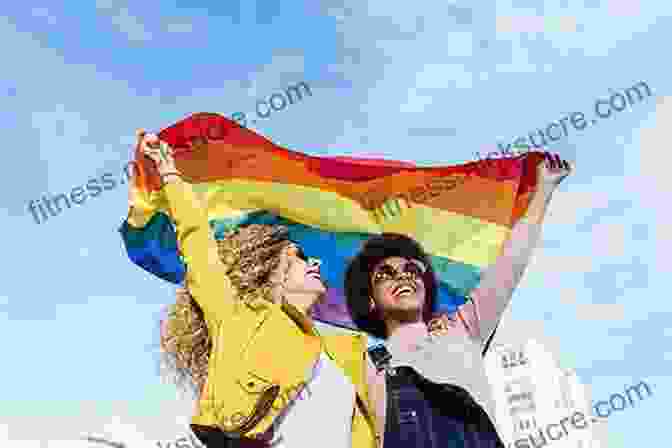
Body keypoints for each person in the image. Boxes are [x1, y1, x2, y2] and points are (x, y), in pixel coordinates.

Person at [137, 131, 378, 448]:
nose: (315, 263)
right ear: (269, 270)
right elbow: (198, 245)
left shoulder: (348, 351)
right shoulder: (238, 318)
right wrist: (169, 173)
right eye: (300, 257)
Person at [344, 152, 572, 447]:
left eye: (412, 270)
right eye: (385, 274)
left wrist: (543, 190)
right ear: (371, 301)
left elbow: (510, 263)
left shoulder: (463, 329)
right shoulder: (366, 361)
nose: (402, 276)